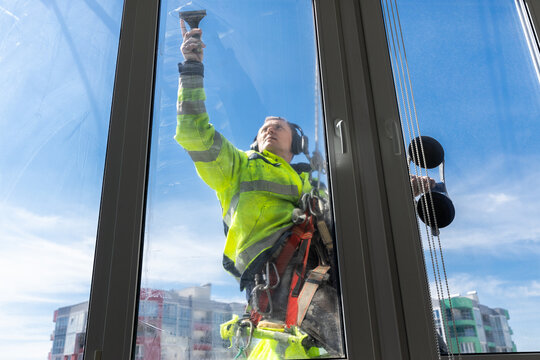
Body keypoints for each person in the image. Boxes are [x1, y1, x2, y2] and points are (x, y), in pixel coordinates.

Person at [175, 21, 343, 359]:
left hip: (322, 271)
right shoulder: (238, 167)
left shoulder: (307, 180)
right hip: (279, 281)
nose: (269, 129)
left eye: (278, 126)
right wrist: (192, 68)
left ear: (295, 143)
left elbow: (344, 206)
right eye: (265, 126)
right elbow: (194, 133)